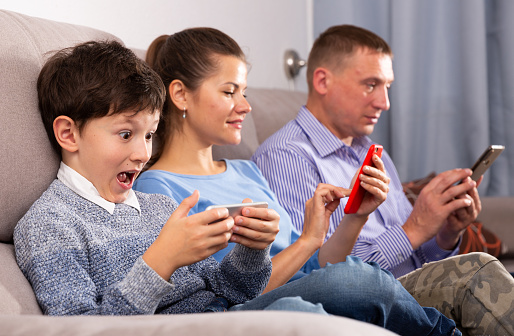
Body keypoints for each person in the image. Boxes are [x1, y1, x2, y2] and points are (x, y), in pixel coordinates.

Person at [12, 39, 460, 336]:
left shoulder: (151, 205)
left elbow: (228, 287)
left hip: (221, 314)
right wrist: (160, 261)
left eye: (149, 135)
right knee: (301, 317)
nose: (141, 153)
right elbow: (80, 328)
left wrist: (252, 249)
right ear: (68, 134)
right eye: (126, 134)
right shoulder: (50, 224)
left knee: (360, 280)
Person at [132, 28, 470, 336]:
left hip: (305, 288)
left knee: (351, 276)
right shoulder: (156, 189)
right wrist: (307, 242)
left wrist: (353, 217)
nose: (245, 106)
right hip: (239, 305)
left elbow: (314, 268)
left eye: (244, 92)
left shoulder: (246, 172)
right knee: (354, 279)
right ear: (180, 94)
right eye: (229, 91)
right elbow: (215, 292)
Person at [251, 24, 514, 335]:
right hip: (370, 295)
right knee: (479, 272)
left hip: (410, 288)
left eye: (387, 86)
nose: (384, 102)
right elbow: (319, 273)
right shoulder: (286, 157)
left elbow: (417, 258)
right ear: (322, 80)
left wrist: (445, 233)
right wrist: (414, 228)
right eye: (370, 85)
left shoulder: (370, 150)